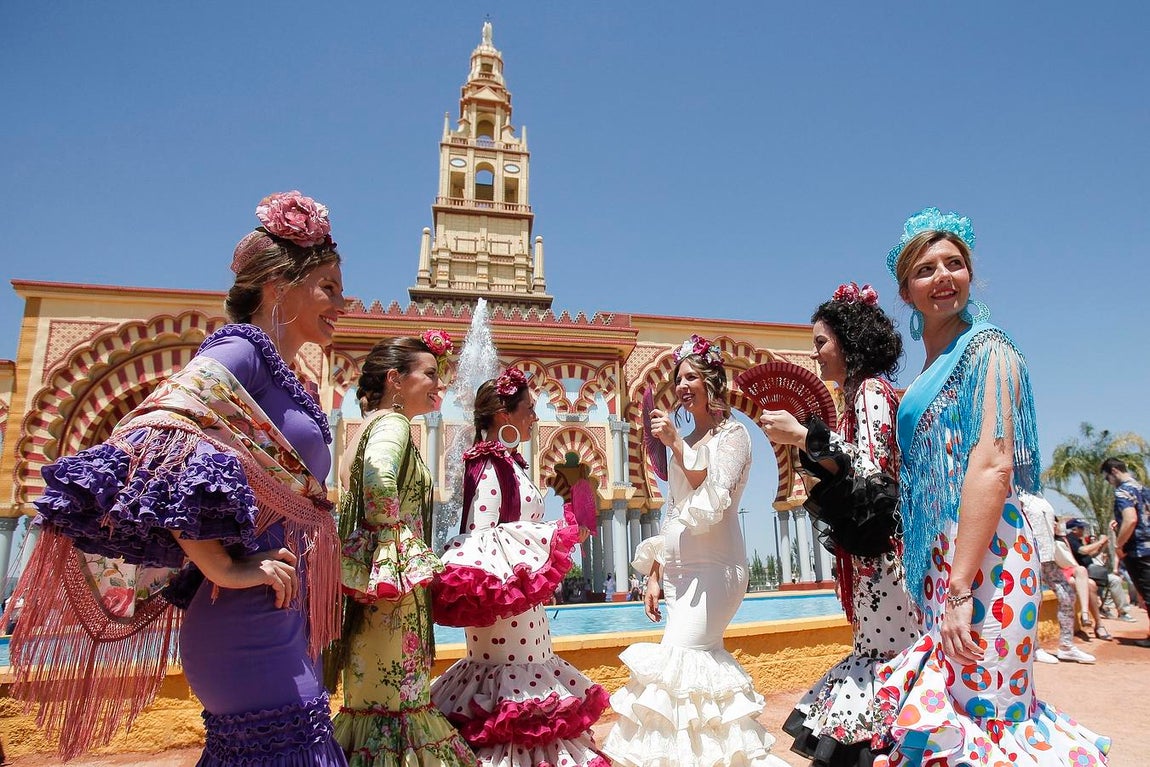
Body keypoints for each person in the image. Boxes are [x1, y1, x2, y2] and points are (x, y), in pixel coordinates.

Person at [3, 191, 349, 764]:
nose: (342, 303)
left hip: (279, 611)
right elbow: (161, 435)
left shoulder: (280, 370)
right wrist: (222, 565)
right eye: (329, 288)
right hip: (246, 619)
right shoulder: (240, 351)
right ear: (277, 288)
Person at [872, 208, 1109, 764]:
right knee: (952, 715)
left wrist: (958, 590)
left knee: (990, 717)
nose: (944, 277)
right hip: (949, 565)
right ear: (905, 291)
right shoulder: (932, 367)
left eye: (955, 264)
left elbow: (993, 468)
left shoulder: (989, 351)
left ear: (971, 275)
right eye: (927, 269)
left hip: (988, 565)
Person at [603, 335, 787, 767]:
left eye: (691, 377)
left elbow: (714, 495)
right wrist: (653, 572)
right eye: (679, 378)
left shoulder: (734, 435)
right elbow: (675, 510)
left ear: (711, 381)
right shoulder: (686, 438)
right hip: (680, 572)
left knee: (682, 660)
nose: (683, 385)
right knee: (686, 672)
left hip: (716, 568)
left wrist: (674, 445)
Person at [761, 281, 921, 767]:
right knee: (882, 660)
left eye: (821, 343)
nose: (815, 355)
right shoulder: (856, 396)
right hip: (876, 560)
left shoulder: (870, 390)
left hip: (885, 563)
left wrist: (807, 437)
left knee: (885, 661)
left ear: (848, 342)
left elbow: (873, 471)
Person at [431, 366, 609, 766]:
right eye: (528, 408)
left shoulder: (508, 464)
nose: (535, 416)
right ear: (503, 415)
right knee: (513, 700)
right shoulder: (490, 464)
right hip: (504, 607)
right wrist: (550, 537)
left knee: (526, 690)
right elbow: (480, 537)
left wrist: (560, 536)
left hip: (520, 607)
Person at [328, 334, 476, 766]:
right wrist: (399, 548)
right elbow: (377, 480)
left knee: (371, 709)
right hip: (393, 593)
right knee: (398, 708)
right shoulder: (393, 425)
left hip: (372, 591)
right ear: (395, 379)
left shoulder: (366, 427)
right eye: (429, 374)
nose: (438, 385)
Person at [1018, 492, 1096, 663]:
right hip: (1029, 555)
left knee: (1067, 595)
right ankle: (1034, 647)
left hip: (1049, 557)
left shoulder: (1039, 496)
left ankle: (1066, 646)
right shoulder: (1018, 494)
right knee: (1034, 600)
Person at [1102, 456, 1150, 647]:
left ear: (1113, 472)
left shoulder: (1122, 492)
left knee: (1147, 594)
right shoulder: (1142, 489)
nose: (1109, 483)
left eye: (1107, 478)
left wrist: (1119, 545)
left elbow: (1130, 519)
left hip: (1137, 550)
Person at [1064, 519, 1131, 635]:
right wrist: (1099, 542)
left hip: (1092, 571)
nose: (1083, 530)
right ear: (1074, 529)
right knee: (1094, 585)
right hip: (1083, 573)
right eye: (1081, 528)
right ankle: (1100, 616)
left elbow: (1092, 554)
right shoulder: (1070, 539)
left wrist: (1102, 545)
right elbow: (1084, 551)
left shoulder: (1079, 540)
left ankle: (1123, 612)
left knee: (1114, 580)